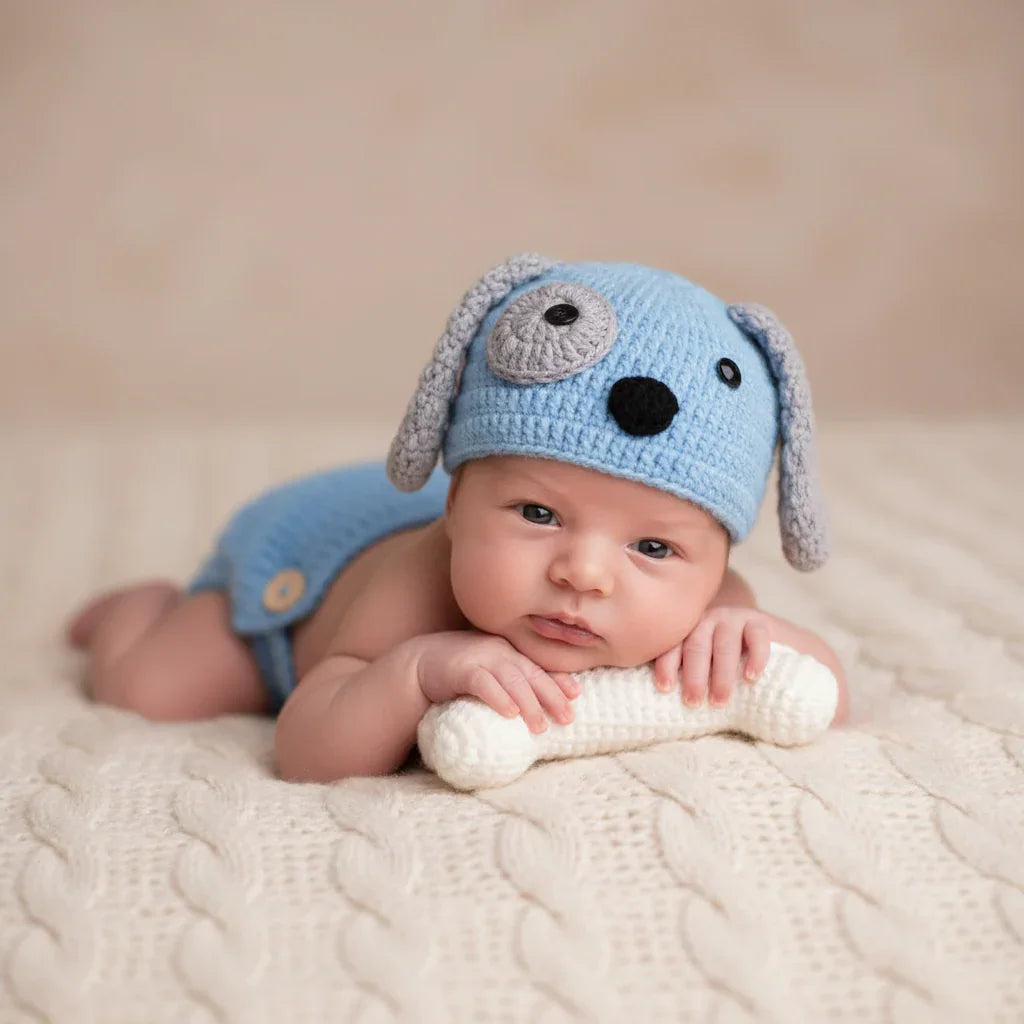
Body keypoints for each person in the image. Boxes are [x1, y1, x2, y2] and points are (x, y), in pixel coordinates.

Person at [66, 255, 849, 783]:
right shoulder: (413, 591)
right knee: (150, 688)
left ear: (717, 564)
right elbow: (305, 752)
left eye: (652, 546)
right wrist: (415, 672)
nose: (584, 572)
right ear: (454, 502)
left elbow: (828, 697)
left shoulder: (711, 610)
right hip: (298, 575)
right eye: (538, 513)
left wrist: (768, 637)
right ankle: (140, 607)